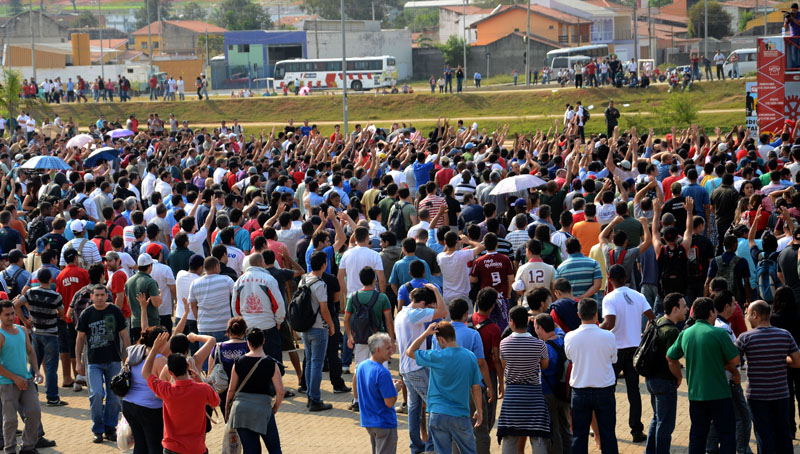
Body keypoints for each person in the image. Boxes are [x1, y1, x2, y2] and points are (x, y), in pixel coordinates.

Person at [667, 297, 740, 454]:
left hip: (696, 395)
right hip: (720, 394)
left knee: (697, 436)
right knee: (726, 435)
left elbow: (670, 357)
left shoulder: (685, 334)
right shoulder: (719, 333)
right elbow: (735, 359)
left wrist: (679, 377)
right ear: (711, 312)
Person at [405, 320, 482, 454]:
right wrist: (479, 410)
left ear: (440, 339)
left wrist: (425, 333)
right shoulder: (470, 357)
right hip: (460, 414)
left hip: (438, 413)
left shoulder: (436, 356)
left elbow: (410, 351)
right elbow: (476, 387)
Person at [736, 300, 800, 454]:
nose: (748, 318)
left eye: (748, 314)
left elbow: (732, 360)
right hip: (781, 394)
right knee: (783, 433)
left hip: (757, 396)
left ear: (755, 314)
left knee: (764, 435)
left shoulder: (745, 338)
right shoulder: (785, 334)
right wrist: (780, 357)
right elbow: (797, 362)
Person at [600, 265, 655, 442]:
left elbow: (609, 323)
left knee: (608, 391)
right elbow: (652, 317)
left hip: (615, 349)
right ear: (626, 276)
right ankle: (637, 430)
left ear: (609, 278)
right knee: (634, 391)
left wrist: (594, 329)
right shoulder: (638, 295)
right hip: (634, 350)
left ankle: (607, 429)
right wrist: (644, 334)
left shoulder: (609, 298)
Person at [141, 332, 220, 454]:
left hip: (172, 447)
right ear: (188, 366)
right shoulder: (203, 388)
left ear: (171, 373)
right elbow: (215, 402)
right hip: (196, 448)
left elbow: (146, 373)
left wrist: (155, 349)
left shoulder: (166, 389)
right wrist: (194, 337)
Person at [395, 283, 447, 453]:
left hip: (405, 368)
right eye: (429, 305)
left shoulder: (401, 313)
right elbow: (443, 312)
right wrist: (436, 291)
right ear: (423, 304)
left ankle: (416, 447)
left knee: (414, 409)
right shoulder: (415, 314)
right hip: (417, 367)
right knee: (433, 404)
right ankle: (431, 446)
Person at [76, 284, 131, 443]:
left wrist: (127, 355)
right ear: (92, 296)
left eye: (102, 294)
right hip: (93, 361)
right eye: (97, 295)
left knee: (114, 396)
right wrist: (79, 361)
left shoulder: (114, 311)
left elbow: (123, 334)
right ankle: (98, 429)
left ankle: (110, 427)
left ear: (107, 296)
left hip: (113, 359)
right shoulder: (87, 314)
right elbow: (80, 338)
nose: (99, 298)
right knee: (96, 394)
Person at [565, 298, 619, 454]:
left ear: (578, 314)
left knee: (579, 436)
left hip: (579, 391)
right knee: (608, 434)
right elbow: (614, 359)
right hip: (604, 390)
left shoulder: (570, 336)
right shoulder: (608, 336)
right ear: (596, 314)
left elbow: (570, 357)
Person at [496, 305, 550, 454]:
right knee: (537, 436)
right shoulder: (539, 344)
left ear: (511, 322)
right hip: (534, 394)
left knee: (509, 437)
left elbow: (504, 364)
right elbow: (545, 365)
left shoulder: (504, 343)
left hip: (512, 395)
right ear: (527, 321)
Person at [225, 327, 284, 454]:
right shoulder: (271, 363)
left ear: (248, 343)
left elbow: (231, 390)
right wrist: (275, 408)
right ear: (263, 341)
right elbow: (280, 391)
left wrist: (227, 411)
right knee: (274, 448)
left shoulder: (238, 362)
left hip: (241, 411)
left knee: (250, 450)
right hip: (263, 410)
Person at [13, 268, 65, 406]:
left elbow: (16, 304)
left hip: (36, 333)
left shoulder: (30, 292)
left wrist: (25, 321)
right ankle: (52, 397)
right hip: (51, 334)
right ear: (50, 280)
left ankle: (31, 394)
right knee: (51, 367)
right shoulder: (56, 296)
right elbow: (61, 313)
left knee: (34, 365)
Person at [643, 293, 687, 454]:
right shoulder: (671, 331)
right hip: (664, 382)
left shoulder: (657, 321)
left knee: (657, 418)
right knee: (666, 423)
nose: (687, 310)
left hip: (651, 379)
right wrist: (679, 377)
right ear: (675, 309)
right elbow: (672, 360)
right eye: (684, 306)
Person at [0, 300, 42, 454]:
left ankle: (28, 447)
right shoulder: (0, 335)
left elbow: (30, 351)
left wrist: (36, 371)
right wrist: (14, 378)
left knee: (34, 413)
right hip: (7, 384)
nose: (11, 317)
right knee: (10, 420)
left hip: (26, 380)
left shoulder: (22, 330)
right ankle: (10, 449)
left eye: (12, 313)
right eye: (7, 315)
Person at [302, 251, 337, 412]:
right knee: (316, 363)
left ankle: (310, 395)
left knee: (309, 362)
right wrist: (331, 325)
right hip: (318, 328)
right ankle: (315, 399)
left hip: (305, 326)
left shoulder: (304, 279)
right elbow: (324, 309)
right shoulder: (320, 283)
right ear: (324, 265)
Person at [355, 332, 400, 454]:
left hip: (369, 421)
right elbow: (390, 402)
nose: (391, 351)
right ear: (377, 349)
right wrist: (395, 389)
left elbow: (359, 386)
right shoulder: (383, 372)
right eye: (388, 348)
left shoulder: (361, 366)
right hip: (384, 422)